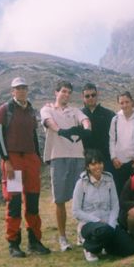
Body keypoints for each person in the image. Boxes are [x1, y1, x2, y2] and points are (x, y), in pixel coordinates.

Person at [0, 77, 51, 257]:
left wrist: (37, 158)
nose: (22, 91)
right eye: (18, 88)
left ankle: (34, 241)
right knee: (15, 201)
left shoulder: (31, 111)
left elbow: (33, 135)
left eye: (24, 88)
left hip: (30, 160)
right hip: (13, 160)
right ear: (12, 91)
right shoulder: (5, 110)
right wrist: (6, 161)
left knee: (33, 202)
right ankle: (13, 244)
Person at [40, 80, 92, 251]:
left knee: (82, 198)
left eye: (69, 92)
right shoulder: (47, 109)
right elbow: (48, 122)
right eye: (63, 91)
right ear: (56, 92)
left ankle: (81, 233)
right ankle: (63, 238)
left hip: (77, 156)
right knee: (60, 199)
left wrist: (86, 129)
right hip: (58, 156)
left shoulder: (74, 111)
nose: (66, 95)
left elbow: (85, 120)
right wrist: (61, 131)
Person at [72, 150, 134, 262]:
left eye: (99, 163)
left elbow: (115, 205)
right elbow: (76, 211)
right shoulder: (81, 183)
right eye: (93, 164)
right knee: (103, 230)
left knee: (131, 248)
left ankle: (106, 247)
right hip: (90, 224)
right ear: (88, 167)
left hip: (108, 222)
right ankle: (89, 247)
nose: (97, 167)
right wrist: (97, 220)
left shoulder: (109, 179)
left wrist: (112, 223)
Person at [108, 91, 134, 196]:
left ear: (132, 102)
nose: (125, 105)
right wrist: (113, 157)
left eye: (127, 102)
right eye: (122, 103)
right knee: (120, 192)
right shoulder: (115, 119)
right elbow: (112, 139)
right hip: (119, 163)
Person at [81, 83, 116, 173]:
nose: (90, 98)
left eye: (93, 95)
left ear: (97, 95)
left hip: (105, 159)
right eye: (87, 96)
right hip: (85, 160)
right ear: (83, 98)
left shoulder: (109, 114)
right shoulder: (78, 115)